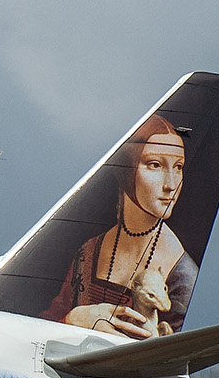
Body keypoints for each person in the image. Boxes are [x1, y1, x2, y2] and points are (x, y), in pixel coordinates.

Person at [43, 114, 195, 338]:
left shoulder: (182, 276)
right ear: (128, 169)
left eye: (179, 167)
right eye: (155, 165)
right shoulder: (88, 251)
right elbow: (37, 328)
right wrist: (72, 319)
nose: (171, 185)